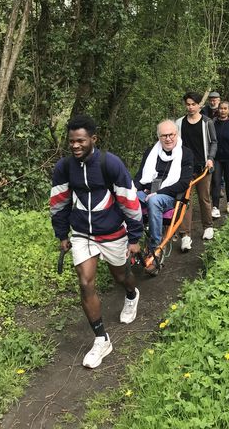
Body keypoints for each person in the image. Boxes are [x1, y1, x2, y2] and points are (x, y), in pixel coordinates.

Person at [50, 115, 143, 369]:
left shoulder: (110, 164)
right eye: (71, 141)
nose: (75, 146)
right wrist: (62, 234)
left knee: (121, 276)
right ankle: (102, 339)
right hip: (82, 232)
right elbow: (58, 203)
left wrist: (134, 237)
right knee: (85, 281)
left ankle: (132, 294)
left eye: (80, 140)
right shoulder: (64, 167)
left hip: (112, 231)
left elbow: (129, 200)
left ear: (93, 139)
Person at [133, 120, 194, 272]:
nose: (168, 138)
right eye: (164, 135)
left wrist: (158, 193)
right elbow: (141, 176)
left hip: (169, 195)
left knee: (154, 200)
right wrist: (131, 190)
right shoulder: (151, 152)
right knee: (126, 199)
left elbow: (184, 183)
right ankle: (132, 241)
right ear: (159, 137)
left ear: (177, 134)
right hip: (148, 191)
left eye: (171, 135)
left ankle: (156, 248)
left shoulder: (185, 153)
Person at [176, 92, 217, 251]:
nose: (190, 107)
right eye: (188, 104)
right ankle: (185, 235)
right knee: (184, 201)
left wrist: (210, 158)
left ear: (199, 105)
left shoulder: (207, 122)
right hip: (185, 168)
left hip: (203, 167)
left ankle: (208, 226)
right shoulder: (179, 123)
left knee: (204, 198)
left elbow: (214, 141)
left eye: (193, 104)